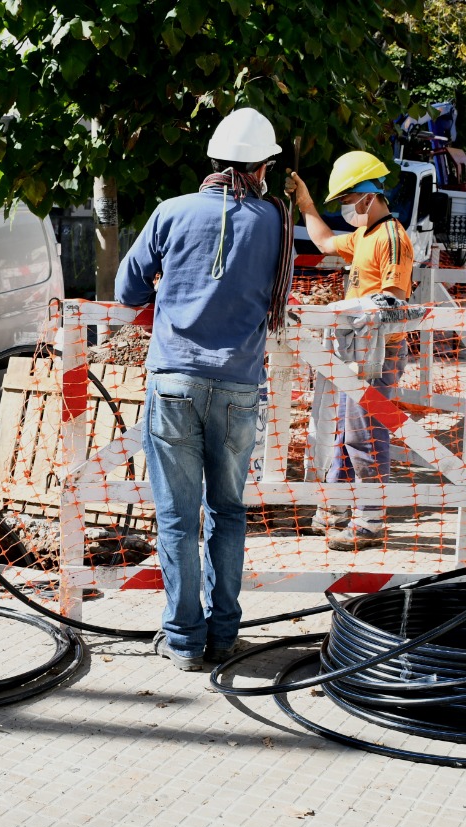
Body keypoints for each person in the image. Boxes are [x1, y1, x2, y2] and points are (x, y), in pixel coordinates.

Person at [115, 107, 292, 671]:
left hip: (174, 382)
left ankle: (185, 641)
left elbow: (127, 289)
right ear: (262, 167)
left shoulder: (171, 211)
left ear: (214, 160)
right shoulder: (275, 221)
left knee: (176, 517)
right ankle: (223, 635)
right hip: (239, 386)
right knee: (228, 513)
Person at [285, 151, 414, 551]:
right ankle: (337, 509)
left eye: (347, 199)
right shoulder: (364, 236)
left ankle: (370, 523)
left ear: (368, 195)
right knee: (347, 434)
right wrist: (305, 204)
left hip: (377, 354)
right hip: (357, 351)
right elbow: (324, 241)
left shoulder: (392, 238)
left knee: (366, 435)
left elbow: (392, 299)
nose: (345, 207)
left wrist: (342, 309)